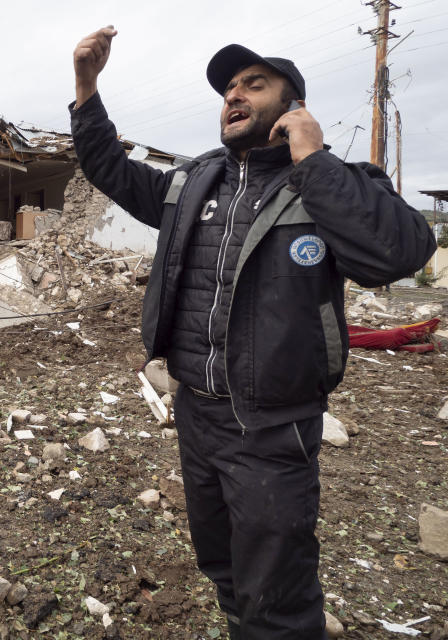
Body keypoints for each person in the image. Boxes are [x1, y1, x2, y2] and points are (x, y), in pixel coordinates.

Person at [69, 27, 436, 640]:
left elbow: (396, 254)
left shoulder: (330, 181)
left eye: (253, 85)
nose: (234, 96)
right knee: (224, 568)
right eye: (228, 89)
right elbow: (110, 168)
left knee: (278, 591)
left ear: (293, 107)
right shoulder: (193, 183)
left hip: (274, 425)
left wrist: (313, 158)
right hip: (198, 416)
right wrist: (87, 89)